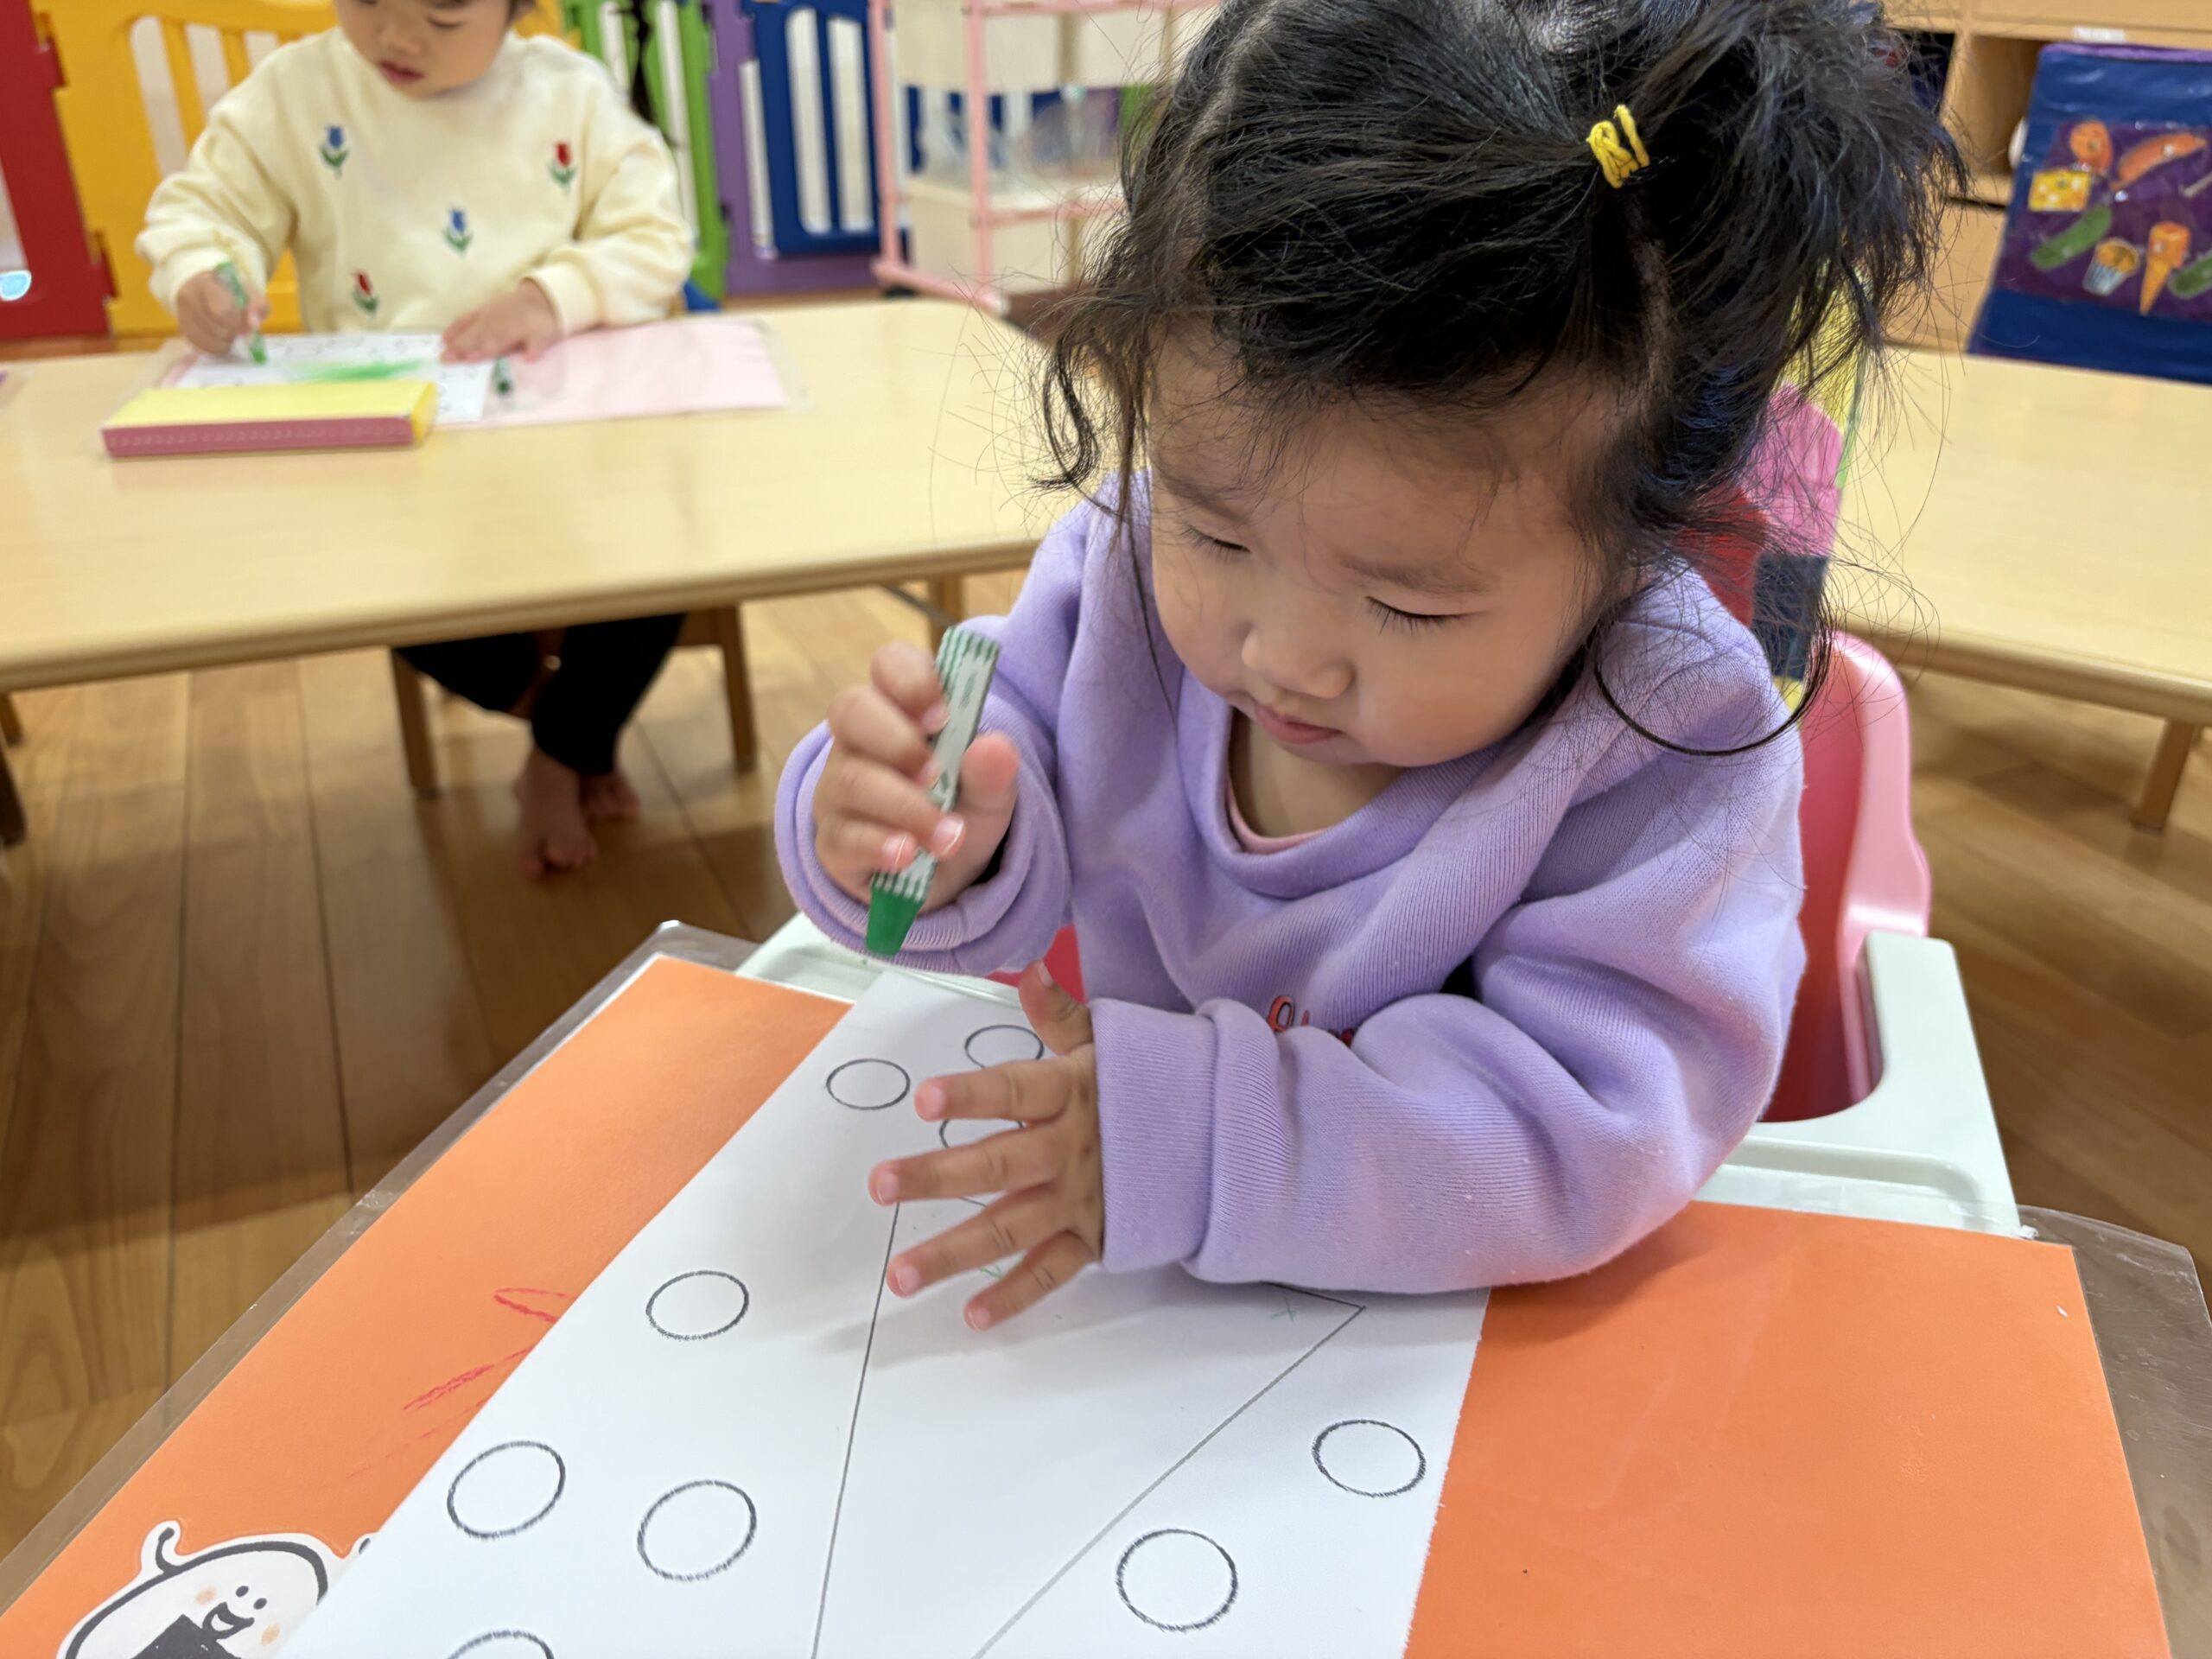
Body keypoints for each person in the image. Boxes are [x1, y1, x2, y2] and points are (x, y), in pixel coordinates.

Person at [777, 0, 1952, 1326]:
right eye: (1218, 532)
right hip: (1157, 1313)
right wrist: (916, 834)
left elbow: (1594, 1129)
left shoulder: (1666, 730)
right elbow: (1014, 767)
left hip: (1463, 1355)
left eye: (1406, 607)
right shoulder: (1117, 568)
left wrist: (1197, 1143)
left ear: (1628, 553)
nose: (1281, 658)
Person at [138, 0, 695, 876]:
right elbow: (206, 207)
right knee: (374, 584)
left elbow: (657, 238)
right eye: (368, 1)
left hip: (566, 436)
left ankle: (559, 755)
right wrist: (203, 271)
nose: (396, 38)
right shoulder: (297, 92)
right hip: (399, 448)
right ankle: (566, 727)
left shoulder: (572, 94)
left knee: (671, 556)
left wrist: (549, 297)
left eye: (440, 16)